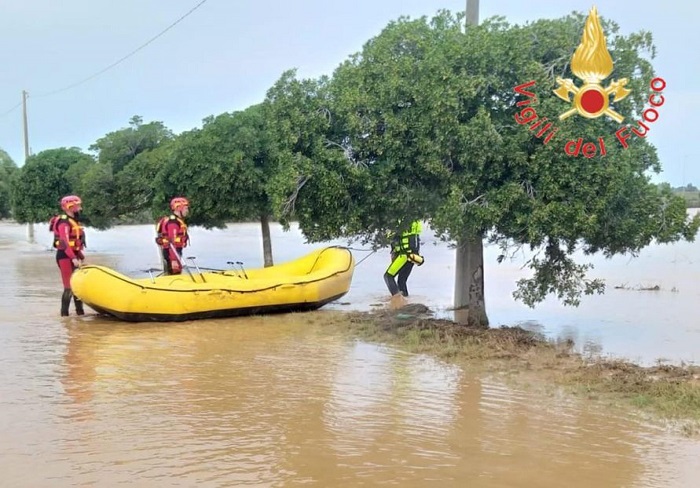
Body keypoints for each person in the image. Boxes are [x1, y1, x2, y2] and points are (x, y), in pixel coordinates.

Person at [50, 195, 86, 316]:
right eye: (78, 205)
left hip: (74, 255)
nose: (80, 207)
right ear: (70, 206)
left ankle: (80, 314)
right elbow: (65, 243)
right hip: (65, 257)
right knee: (69, 287)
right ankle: (64, 316)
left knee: (77, 287)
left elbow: (75, 242)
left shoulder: (74, 221)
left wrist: (80, 256)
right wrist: (73, 258)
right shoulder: (63, 222)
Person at [384, 220, 424, 297]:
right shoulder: (415, 222)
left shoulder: (399, 222)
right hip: (413, 257)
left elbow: (390, 236)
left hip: (404, 255)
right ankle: (405, 301)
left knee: (388, 276)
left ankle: (397, 299)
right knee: (401, 281)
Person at [155, 196, 190, 275]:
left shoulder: (177, 220)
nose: (187, 211)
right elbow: (172, 241)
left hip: (174, 252)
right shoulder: (173, 222)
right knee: (175, 273)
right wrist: (174, 260)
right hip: (172, 253)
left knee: (175, 272)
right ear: (179, 208)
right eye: (186, 208)